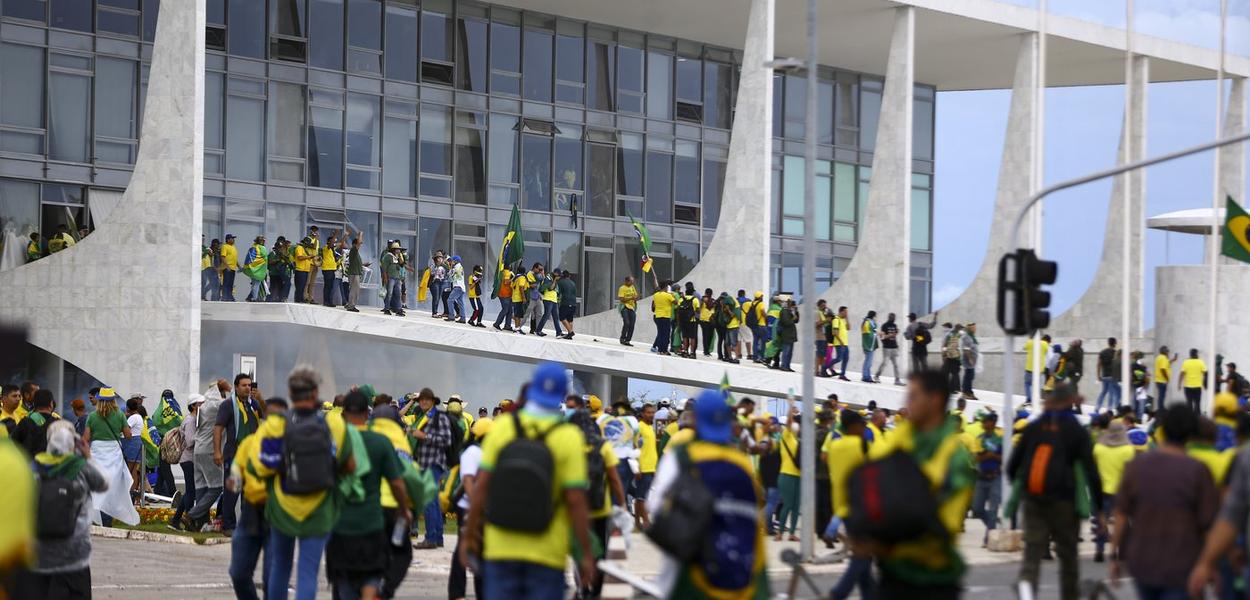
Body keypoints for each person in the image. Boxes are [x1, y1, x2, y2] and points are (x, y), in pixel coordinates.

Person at [460, 363, 595, 600]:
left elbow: (481, 488)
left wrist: (469, 536)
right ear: (562, 395)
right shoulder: (569, 437)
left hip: (500, 547)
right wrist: (585, 554)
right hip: (547, 551)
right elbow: (575, 499)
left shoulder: (503, 428)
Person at [855, 369, 973, 599]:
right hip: (892, 575)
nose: (906, 403)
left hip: (933, 580)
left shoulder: (954, 456)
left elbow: (944, 524)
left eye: (913, 396)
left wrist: (885, 541)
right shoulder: (902, 438)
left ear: (935, 399)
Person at [645, 389, 769, 600]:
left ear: (695, 419)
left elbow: (655, 506)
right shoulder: (741, 463)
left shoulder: (682, 456)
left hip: (692, 580)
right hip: (743, 582)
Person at [250, 367, 355, 600]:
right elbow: (350, 465)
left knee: (280, 567)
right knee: (308, 572)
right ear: (316, 392)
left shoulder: (275, 424)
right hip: (319, 509)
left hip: (282, 508)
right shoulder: (334, 425)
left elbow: (260, 467)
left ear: (290, 392)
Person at [1108, 405, 1216, 599]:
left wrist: (1114, 556)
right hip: (1182, 564)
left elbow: (1121, 514)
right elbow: (1207, 524)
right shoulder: (1198, 471)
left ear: (1163, 429)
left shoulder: (1136, 466)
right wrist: (1209, 564)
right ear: (1191, 434)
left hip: (1142, 561)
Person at [1008, 383, 1104, 600]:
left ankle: (1026, 592)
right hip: (1064, 501)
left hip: (1034, 498)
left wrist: (1024, 492)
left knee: (1032, 554)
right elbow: (1091, 471)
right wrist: (1098, 508)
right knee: (1068, 556)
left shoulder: (1033, 428)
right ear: (1071, 401)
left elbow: (1013, 466)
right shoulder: (1076, 430)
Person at [328, 391, 411, 600]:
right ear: (367, 413)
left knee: (345, 580)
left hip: (341, 525)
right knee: (371, 575)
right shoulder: (380, 442)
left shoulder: (336, 443)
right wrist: (404, 509)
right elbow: (397, 483)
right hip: (371, 524)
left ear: (344, 414)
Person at [13, 421, 107, 599]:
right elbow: (103, 483)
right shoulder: (81, 470)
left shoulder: (34, 470)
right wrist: (88, 457)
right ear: (73, 442)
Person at [824, 409, 873, 600]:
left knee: (864, 555)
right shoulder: (861, 445)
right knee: (862, 555)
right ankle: (838, 593)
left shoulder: (835, 446)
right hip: (861, 506)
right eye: (861, 424)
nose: (864, 427)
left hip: (842, 505)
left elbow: (825, 460)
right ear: (852, 426)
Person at [82, 388, 139, 527]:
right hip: (114, 453)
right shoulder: (119, 415)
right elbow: (128, 435)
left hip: (96, 453)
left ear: (100, 400)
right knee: (111, 488)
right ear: (113, 400)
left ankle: (96, 518)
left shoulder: (92, 416)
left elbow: (85, 438)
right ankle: (107, 521)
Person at [449, 417, 492, 600]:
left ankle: (483, 592)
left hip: (483, 508)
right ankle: (457, 592)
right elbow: (468, 481)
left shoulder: (488, 452)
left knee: (482, 550)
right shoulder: (472, 453)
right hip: (468, 507)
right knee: (464, 548)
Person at [214, 374, 260, 534]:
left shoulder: (253, 404)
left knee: (249, 492)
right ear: (236, 387)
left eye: (249, 385)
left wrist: (260, 398)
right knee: (232, 492)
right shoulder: (228, 405)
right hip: (233, 454)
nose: (248, 388)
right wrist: (217, 451)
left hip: (251, 456)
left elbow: (267, 415)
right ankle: (228, 525)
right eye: (244, 385)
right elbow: (218, 428)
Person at [411, 390, 453, 549]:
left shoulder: (439, 417)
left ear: (433, 401)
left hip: (433, 463)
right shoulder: (426, 418)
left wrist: (424, 437)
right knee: (432, 500)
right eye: (421, 400)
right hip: (427, 463)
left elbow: (446, 440)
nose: (423, 403)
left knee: (429, 501)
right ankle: (437, 538)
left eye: (426, 400)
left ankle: (431, 537)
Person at [183, 382, 225, 532]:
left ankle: (199, 524)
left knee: (201, 487)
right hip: (209, 450)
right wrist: (227, 387)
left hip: (198, 451)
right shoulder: (215, 406)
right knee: (217, 486)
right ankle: (191, 515)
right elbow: (234, 402)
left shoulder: (203, 407)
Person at [1091, 419, 1135, 563]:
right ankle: (1121, 550)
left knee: (1100, 520)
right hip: (1121, 490)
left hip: (1101, 489)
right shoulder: (1128, 450)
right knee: (1122, 521)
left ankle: (1099, 549)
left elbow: (1094, 466)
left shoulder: (1098, 448)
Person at [169, 394, 204, 530]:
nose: (204, 406)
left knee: (190, 491)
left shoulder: (194, 419)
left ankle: (176, 520)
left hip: (189, 459)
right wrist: (205, 438)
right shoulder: (190, 421)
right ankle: (189, 521)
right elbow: (190, 442)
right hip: (189, 459)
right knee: (191, 492)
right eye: (201, 403)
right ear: (194, 406)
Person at [970, 412, 1002, 546]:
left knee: (993, 509)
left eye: (986, 421)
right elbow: (976, 458)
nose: (983, 424)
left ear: (993, 423)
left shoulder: (1001, 439)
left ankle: (989, 537)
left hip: (995, 477)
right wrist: (990, 455)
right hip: (981, 477)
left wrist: (991, 456)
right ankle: (993, 525)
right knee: (977, 508)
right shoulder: (979, 438)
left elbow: (1004, 458)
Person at [775, 405, 802, 541]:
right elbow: (789, 423)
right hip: (786, 474)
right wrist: (790, 412)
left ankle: (791, 533)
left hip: (798, 476)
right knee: (787, 504)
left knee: (796, 506)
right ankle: (780, 532)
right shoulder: (786, 436)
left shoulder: (797, 441)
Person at [11, 389, 57, 458]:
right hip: (53, 466)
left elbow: (12, 444)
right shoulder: (59, 424)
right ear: (51, 404)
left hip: (28, 466)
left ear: (34, 404)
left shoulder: (25, 422)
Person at [343, 233, 369, 313]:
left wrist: (363, 264)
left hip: (355, 272)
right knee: (354, 290)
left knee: (354, 290)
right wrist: (360, 234)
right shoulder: (354, 250)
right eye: (359, 244)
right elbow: (359, 242)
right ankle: (351, 305)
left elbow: (355, 262)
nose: (360, 245)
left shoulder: (355, 252)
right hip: (354, 273)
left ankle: (350, 304)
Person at [380, 241, 406, 316]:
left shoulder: (397, 257)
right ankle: (387, 308)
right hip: (390, 277)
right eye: (397, 249)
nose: (399, 250)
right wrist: (385, 277)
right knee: (389, 294)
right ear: (394, 249)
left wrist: (400, 256)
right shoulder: (388, 256)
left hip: (397, 278)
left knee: (398, 294)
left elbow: (401, 264)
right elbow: (384, 267)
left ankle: (398, 309)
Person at [1096, 338, 1122, 413]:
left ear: (1108, 343)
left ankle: (1097, 407)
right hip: (1112, 376)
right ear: (1115, 343)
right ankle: (1109, 409)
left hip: (1104, 375)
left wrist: (1098, 375)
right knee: (1112, 392)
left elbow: (1098, 364)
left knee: (1103, 391)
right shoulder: (1116, 353)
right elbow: (1118, 365)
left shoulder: (1102, 352)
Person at [876, 312, 902, 385]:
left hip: (894, 347)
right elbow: (882, 337)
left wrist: (897, 345)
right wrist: (890, 335)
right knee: (884, 363)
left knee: (896, 365)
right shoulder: (884, 326)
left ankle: (897, 380)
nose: (894, 319)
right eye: (892, 317)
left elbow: (895, 336)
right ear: (889, 317)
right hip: (887, 348)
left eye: (894, 318)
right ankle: (877, 376)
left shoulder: (894, 325)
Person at [651, 281, 675, 355]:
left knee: (660, 333)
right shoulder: (668, 295)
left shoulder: (655, 295)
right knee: (666, 334)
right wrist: (672, 296)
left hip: (657, 316)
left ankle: (660, 349)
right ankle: (664, 350)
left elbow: (653, 306)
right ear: (665, 287)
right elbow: (676, 302)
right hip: (666, 316)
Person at [774, 298, 798, 372]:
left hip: (791, 334)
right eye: (793, 306)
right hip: (786, 334)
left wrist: (795, 313)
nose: (793, 307)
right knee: (786, 351)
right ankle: (784, 365)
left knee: (790, 352)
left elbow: (797, 320)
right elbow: (786, 322)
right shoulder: (784, 312)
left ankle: (787, 366)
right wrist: (793, 318)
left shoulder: (791, 312)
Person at [1180, 348, 1207, 413]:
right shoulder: (1201, 362)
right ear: (1196, 354)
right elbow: (1205, 373)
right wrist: (1205, 383)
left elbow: (1182, 374)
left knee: (1189, 402)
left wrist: (1179, 384)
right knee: (1197, 403)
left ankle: (1190, 418)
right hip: (1197, 386)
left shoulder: (1186, 362)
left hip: (1187, 386)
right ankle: (1197, 418)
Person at [1023, 334, 1050, 400]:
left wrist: (1030, 339)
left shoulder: (1029, 342)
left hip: (1029, 369)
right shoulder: (1044, 343)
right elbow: (1047, 351)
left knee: (1027, 383)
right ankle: (1035, 398)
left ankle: (1029, 398)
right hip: (1039, 370)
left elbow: (1024, 348)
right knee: (1037, 384)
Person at [244, 235, 269, 302]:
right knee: (256, 284)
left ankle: (252, 297)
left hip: (251, 269)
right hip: (258, 269)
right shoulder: (262, 248)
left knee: (254, 283)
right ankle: (254, 298)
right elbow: (265, 257)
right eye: (263, 240)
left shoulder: (253, 247)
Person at [829, 306, 850, 380]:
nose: (847, 314)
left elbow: (849, 328)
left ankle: (842, 374)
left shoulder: (843, 320)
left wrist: (847, 319)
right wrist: (841, 342)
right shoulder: (836, 319)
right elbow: (835, 333)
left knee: (846, 359)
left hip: (845, 343)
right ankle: (825, 366)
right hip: (839, 343)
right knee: (839, 359)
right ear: (841, 311)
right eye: (845, 312)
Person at [960, 322, 980, 399]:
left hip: (972, 361)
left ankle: (969, 392)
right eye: (974, 327)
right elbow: (966, 349)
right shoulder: (966, 337)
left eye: (975, 327)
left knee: (970, 376)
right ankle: (965, 393)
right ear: (970, 328)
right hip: (968, 360)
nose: (975, 329)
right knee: (968, 376)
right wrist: (970, 359)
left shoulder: (971, 336)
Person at [492, 264, 514, 331]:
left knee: (510, 310)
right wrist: (513, 279)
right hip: (505, 294)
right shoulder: (507, 272)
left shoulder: (501, 272)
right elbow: (506, 282)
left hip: (505, 294)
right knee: (505, 310)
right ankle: (497, 324)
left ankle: (507, 325)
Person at [618, 276, 638, 346]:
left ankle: (628, 340)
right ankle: (622, 338)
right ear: (626, 281)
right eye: (631, 281)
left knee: (632, 324)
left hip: (632, 307)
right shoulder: (622, 288)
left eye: (633, 281)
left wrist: (635, 298)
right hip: (624, 307)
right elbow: (622, 299)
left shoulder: (632, 287)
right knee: (626, 323)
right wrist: (631, 298)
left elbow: (635, 295)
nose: (632, 282)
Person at [556, 269, 577, 339]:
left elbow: (558, 292)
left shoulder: (560, 282)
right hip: (574, 303)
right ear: (569, 276)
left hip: (565, 303)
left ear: (562, 276)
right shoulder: (573, 283)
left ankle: (571, 332)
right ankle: (569, 335)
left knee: (562, 317)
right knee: (570, 319)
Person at [445, 255, 467, 322]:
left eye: (452, 260)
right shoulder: (460, 267)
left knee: (449, 300)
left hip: (457, 287)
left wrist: (450, 267)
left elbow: (450, 278)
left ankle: (451, 316)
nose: (451, 262)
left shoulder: (455, 268)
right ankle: (463, 318)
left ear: (456, 261)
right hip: (462, 287)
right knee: (461, 303)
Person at [429, 251, 447, 317]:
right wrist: (438, 268)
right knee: (435, 297)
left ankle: (435, 311)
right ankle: (434, 312)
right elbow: (432, 273)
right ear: (436, 259)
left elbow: (446, 272)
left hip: (441, 282)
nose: (440, 259)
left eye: (441, 258)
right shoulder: (433, 265)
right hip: (434, 282)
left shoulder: (444, 266)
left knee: (438, 297)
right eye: (439, 258)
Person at [698, 288, 716, 357]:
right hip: (705, 320)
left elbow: (699, 309)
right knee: (707, 336)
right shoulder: (705, 300)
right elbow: (699, 308)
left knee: (707, 336)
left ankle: (707, 350)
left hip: (708, 320)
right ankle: (706, 351)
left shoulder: (712, 300)